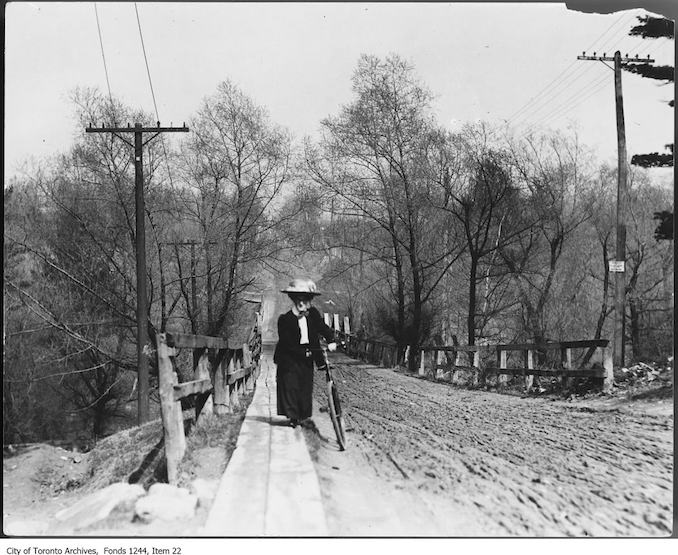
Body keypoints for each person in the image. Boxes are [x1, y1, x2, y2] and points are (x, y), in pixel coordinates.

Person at [273, 278, 337, 428]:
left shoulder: (312, 314)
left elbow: (322, 327)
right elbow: (287, 343)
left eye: (306, 300)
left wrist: (331, 340)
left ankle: (302, 416)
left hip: (307, 356)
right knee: (291, 385)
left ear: (309, 301)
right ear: (293, 300)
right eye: (298, 300)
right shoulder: (285, 320)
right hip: (289, 359)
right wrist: (304, 352)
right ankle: (293, 417)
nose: (302, 304)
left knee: (305, 385)